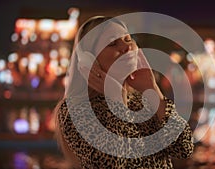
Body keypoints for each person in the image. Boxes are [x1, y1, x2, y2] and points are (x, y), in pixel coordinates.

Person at [54, 15, 194, 169]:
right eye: (112, 43)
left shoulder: (141, 99)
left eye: (128, 40)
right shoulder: (75, 110)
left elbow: (184, 148)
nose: (126, 47)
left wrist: (153, 91)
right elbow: (113, 163)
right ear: (88, 59)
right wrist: (115, 99)